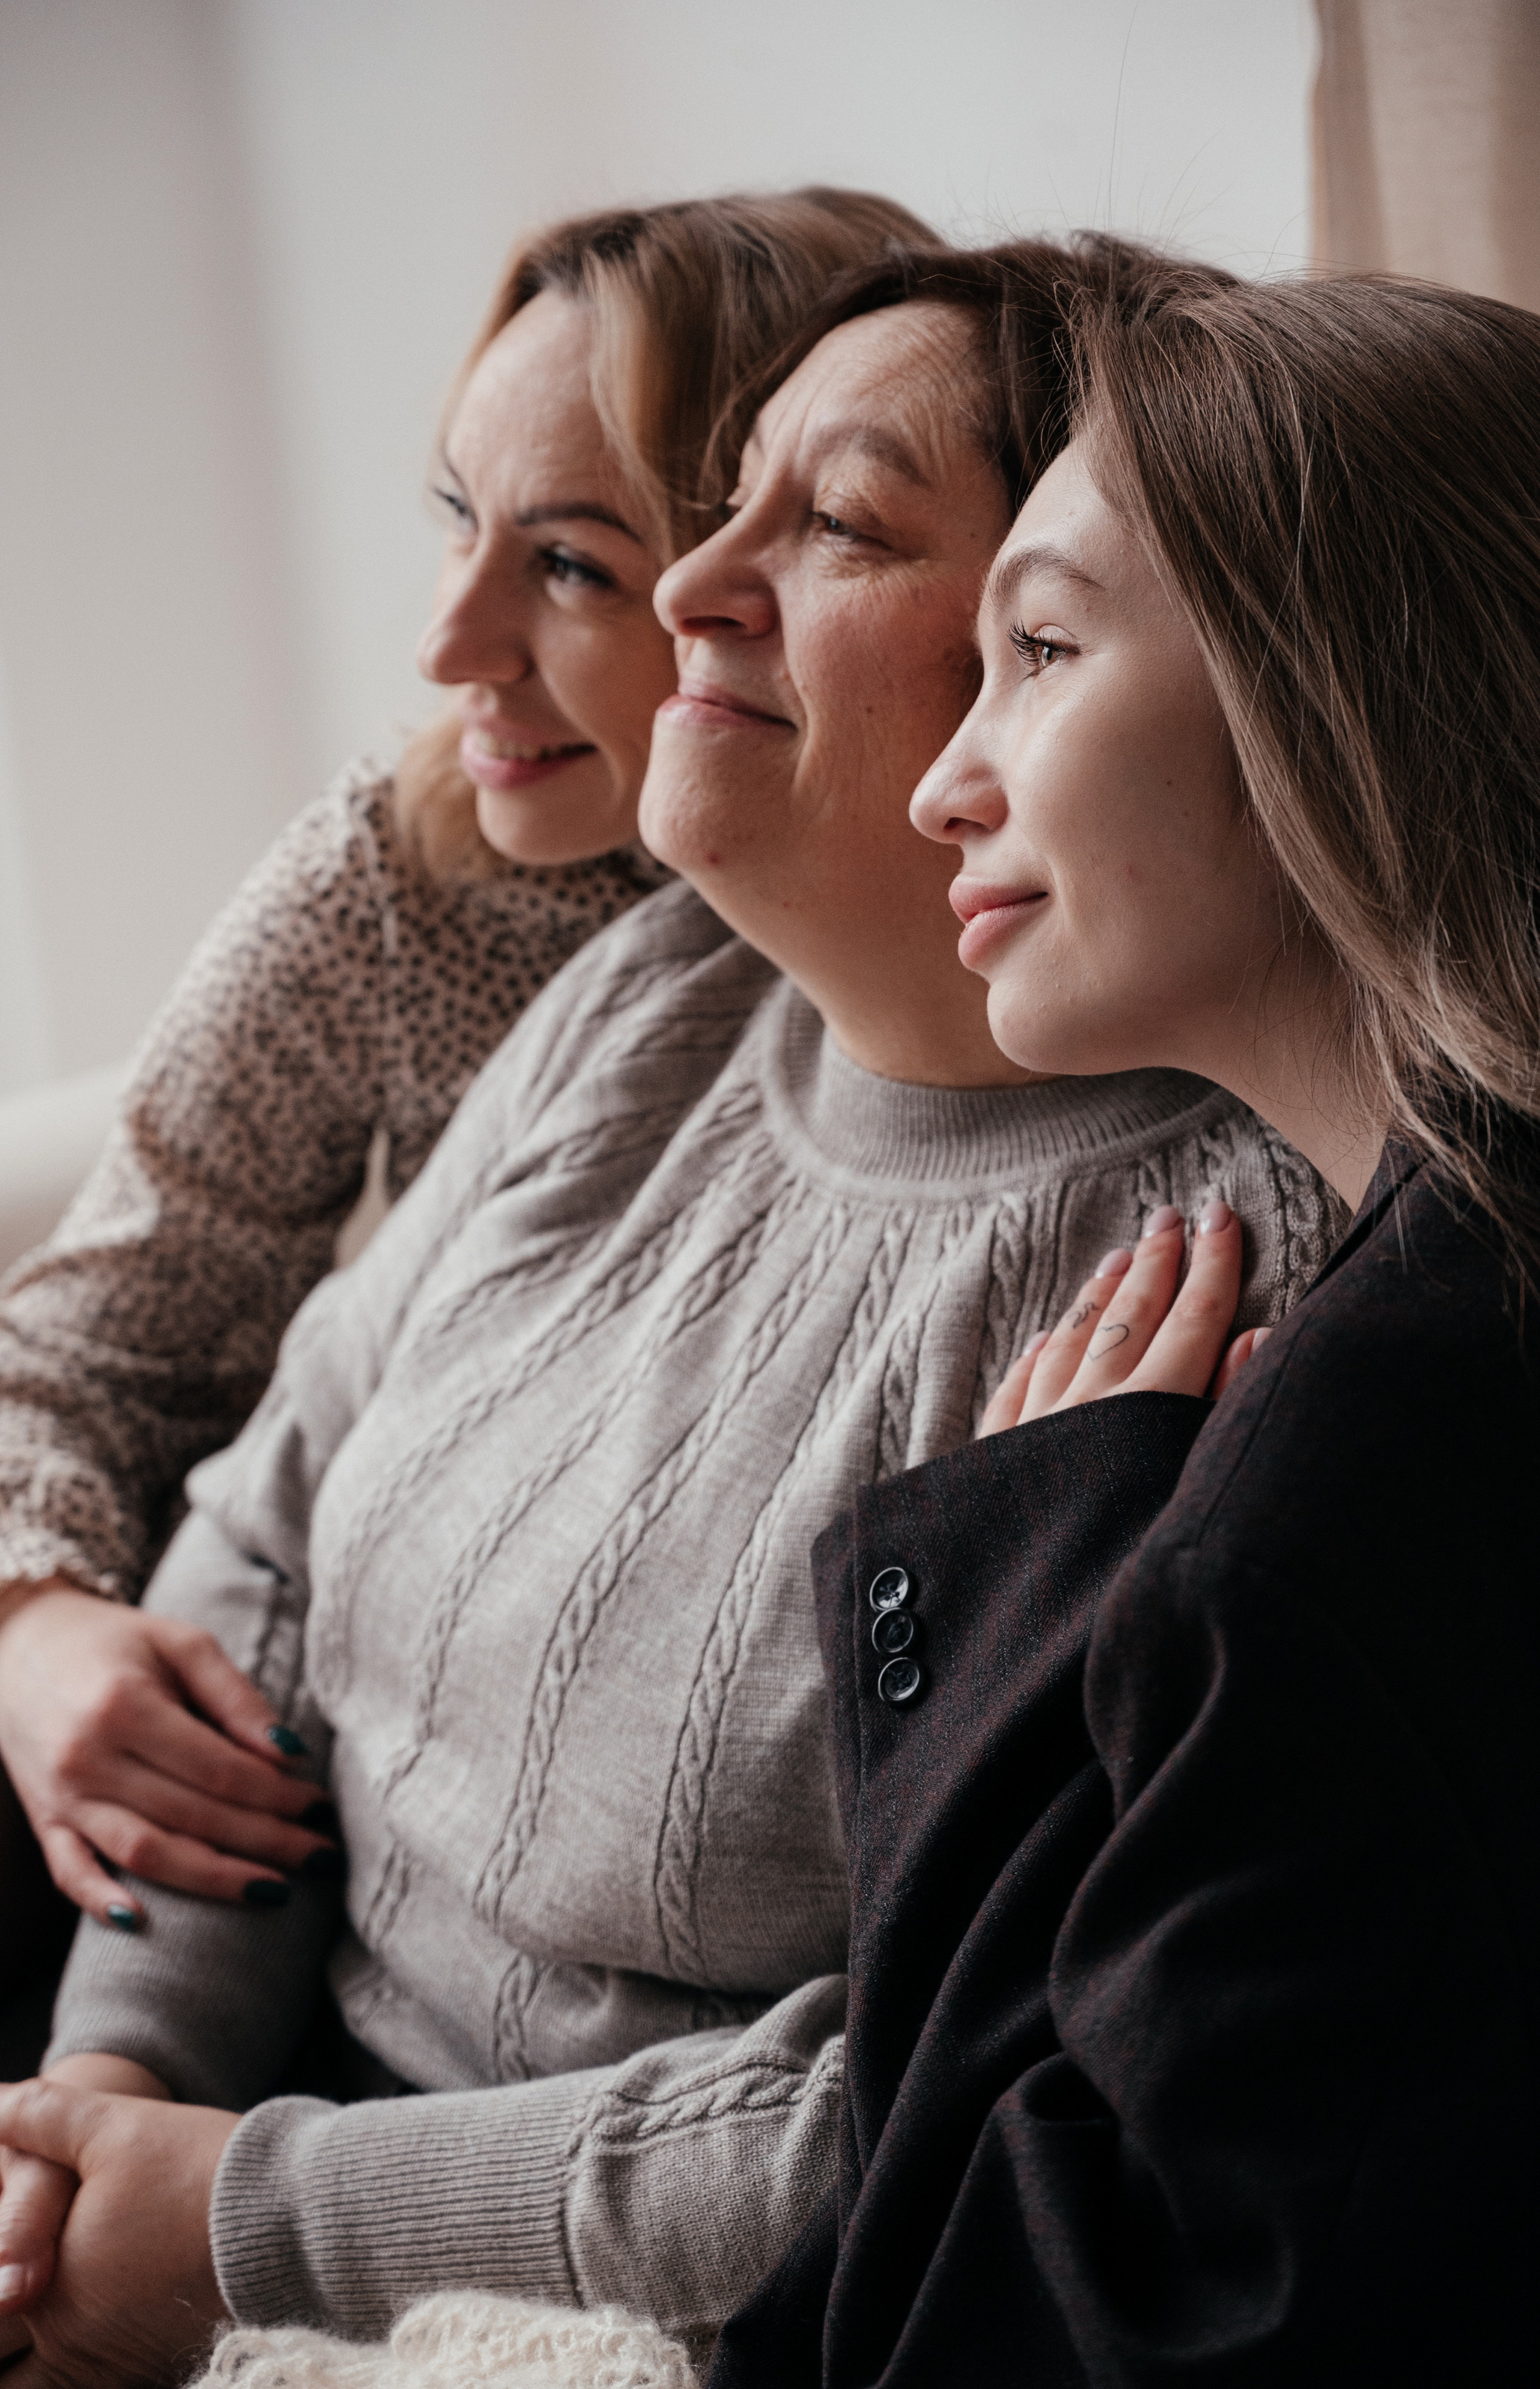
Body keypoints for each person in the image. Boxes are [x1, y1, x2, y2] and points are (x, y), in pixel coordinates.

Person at [0, 242, 1342, 2385]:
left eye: (844, 523)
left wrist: (247, 2222)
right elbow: (262, 1533)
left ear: (1070, 651)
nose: (700, 583)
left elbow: (961, 2082)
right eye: (726, 499)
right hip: (184, 2094)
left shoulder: (1212, 1285)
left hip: (585, 2295)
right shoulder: (645, 994)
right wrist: (118, 2098)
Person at [0, 186, 936, 2007]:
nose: (447, 641)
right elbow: (70, 1354)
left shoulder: (951, 992)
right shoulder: (404, 883)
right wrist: (27, 1626)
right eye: (456, 523)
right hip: (264, 1721)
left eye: (568, 564)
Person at [707, 269, 1540, 2384]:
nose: (940, 788)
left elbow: (957, 2325)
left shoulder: (1328, 1514)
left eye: (1043, 651)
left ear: (1332, 686)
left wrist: (1024, 1627)